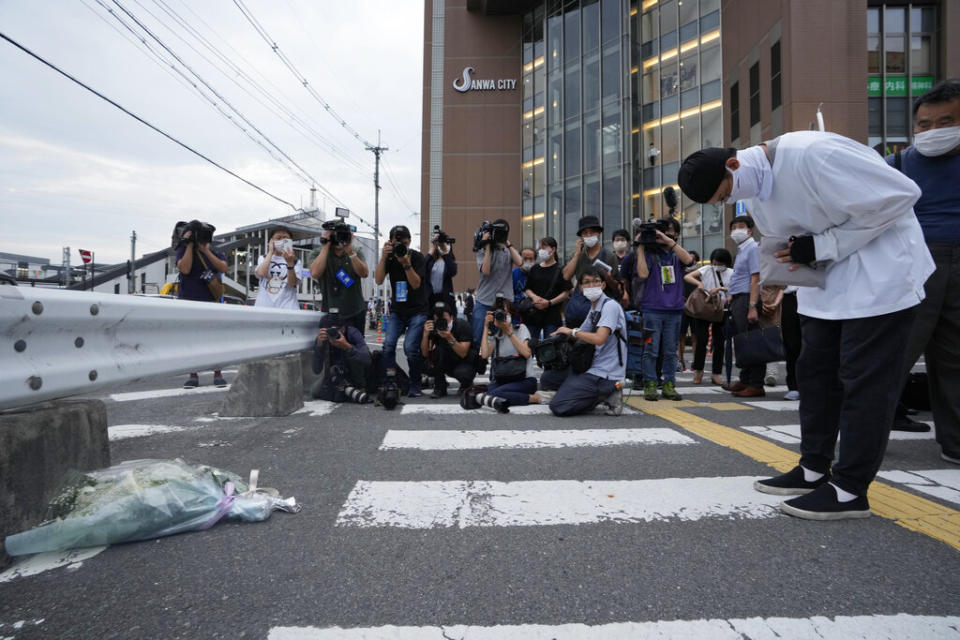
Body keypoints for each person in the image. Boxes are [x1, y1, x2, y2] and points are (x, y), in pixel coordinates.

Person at [678, 129, 934, 520]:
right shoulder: (756, 186)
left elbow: (901, 195)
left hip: (879, 279)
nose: (729, 204)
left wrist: (822, 246)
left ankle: (851, 488)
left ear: (733, 164)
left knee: (864, 381)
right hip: (822, 287)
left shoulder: (814, 153)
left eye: (724, 195)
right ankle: (814, 468)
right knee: (814, 375)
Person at [886, 79, 960, 454]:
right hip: (912, 260)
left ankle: (956, 443)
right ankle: (858, 439)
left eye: (945, 123)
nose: (933, 132)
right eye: (924, 125)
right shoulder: (895, 164)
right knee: (890, 353)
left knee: (954, 359)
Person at [548, 267, 627, 417]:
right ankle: (583, 391)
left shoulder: (610, 306)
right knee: (549, 379)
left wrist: (571, 332)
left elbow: (599, 338)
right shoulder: (594, 307)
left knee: (558, 406)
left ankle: (607, 394)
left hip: (605, 371)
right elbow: (580, 333)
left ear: (603, 285)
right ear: (580, 287)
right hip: (591, 364)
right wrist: (558, 334)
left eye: (596, 281)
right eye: (587, 282)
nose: (591, 286)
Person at [633, 218, 694, 401]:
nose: (662, 235)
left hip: (674, 310)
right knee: (650, 350)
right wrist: (641, 246)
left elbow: (689, 261)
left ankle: (669, 384)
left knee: (670, 351)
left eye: (668, 231)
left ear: (675, 234)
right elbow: (643, 274)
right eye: (661, 231)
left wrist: (669, 242)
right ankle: (650, 383)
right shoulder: (650, 254)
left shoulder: (676, 253)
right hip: (652, 309)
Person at [375, 225, 429, 397]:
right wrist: (384, 258)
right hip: (398, 310)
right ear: (390, 242)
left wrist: (406, 263)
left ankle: (415, 383)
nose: (400, 247)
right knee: (388, 345)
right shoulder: (389, 258)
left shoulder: (418, 257)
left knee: (410, 347)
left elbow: (416, 284)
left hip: (417, 310)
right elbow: (378, 280)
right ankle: (389, 382)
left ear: (409, 242)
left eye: (403, 243)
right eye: (397, 242)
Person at [175, 221, 228, 388]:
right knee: (191, 339)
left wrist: (206, 250)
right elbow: (184, 268)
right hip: (189, 298)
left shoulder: (214, 250)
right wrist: (189, 245)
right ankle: (193, 374)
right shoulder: (183, 249)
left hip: (210, 299)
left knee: (214, 338)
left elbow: (223, 267)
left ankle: (217, 372)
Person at [720, 215, 766, 398]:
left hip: (748, 299)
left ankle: (756, 383)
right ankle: (745, 379)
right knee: (742, 342)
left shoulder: (753, 248)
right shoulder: (742, 250)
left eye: (741, 226)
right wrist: (732, 295)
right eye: (733, 227)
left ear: (750, 229)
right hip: (739, 298)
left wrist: (753, 306)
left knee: (752, 342)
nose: (736, 230)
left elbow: (756, 277)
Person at [309, 220, 369, 334]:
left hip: (355, 310)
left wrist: (350, 251)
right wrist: (325, 245)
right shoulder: (319, 253)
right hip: (331, 311)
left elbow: (364, 274)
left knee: (356, 347)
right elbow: (315, 273)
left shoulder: (355, 252)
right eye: (335, 234)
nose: (338, 237)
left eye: (342, 234)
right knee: (333, 347)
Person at [477, 301, 540, 409]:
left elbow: (526, 353)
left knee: (495, 393)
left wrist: (508, 331)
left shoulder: (520, 329)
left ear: (511, 314)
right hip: (502, 379)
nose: (502, 316)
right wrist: (486, 326)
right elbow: (484, 354)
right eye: (499, 313)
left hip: (525, 379)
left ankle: (532, 398)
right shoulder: (495, 334)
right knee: (492, 391)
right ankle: (510, 396)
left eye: (505, 313)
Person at [683, 247, 732, 385]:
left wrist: (723, 289)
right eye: (715, 262)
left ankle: (716, 374)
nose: (717, 266)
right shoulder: (706, 269)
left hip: (722, 310)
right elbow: (687, 276)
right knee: (701, 341)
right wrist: (699, 283)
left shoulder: (732, 273)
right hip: (704, 309)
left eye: (720, 263)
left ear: (727, 262)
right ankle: (698, 371)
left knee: (719, 343)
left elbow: (737, 287)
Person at [561, 215, 618, 328]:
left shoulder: (609, 256)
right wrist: (577, 253)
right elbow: (566, 276)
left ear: (598, 233)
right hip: (578, 309)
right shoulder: (578, 256)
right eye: (585, 233)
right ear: (581, 237)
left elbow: (616, 287)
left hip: (600, 310)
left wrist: (608, 278)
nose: (588, 236)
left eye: (592, 232)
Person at [472, 219, 522, 346]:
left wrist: (508, 245)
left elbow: (520, 263)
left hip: (504, 303)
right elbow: (486, 271)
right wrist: (488, 246)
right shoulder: (482, 250)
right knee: (479, 338)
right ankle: (479, 364)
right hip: (484, 301)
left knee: (502, 339)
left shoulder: (508, 251)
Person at [311, 310, 372, 402]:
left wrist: (347, 346)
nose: (333, 334)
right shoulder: (322, 338)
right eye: (330, 331)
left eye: (337, 330)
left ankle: (352, 387)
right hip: (334, 374)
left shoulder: (352, 333)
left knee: (354, 351)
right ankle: (345, 389)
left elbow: (367, 359)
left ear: (344, 328)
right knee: (314, 391)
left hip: (352, 373)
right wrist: (319, 347)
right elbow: (316, 369)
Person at [421, 301, 476, 399]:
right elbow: (425, 354)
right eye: (437, 317)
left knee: (464, 373)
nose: (441, 320)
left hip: (462, 362)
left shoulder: (462, 325)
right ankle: (440, 386)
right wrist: (425, 335)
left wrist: (450, 338)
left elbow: (463, 353)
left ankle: (466, 384)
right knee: (423, 363)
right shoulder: (434, 328)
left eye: (444, 316)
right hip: (444, 361)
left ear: (451, 316)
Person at [523, 236, 572, 341]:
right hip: (534, 315)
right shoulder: (535, 268)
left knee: (549, 348)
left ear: (553, 249)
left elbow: (566, 293)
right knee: (529, 345)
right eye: (540, 248)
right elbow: (527, 288)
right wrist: (535, 297)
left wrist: (549, 302)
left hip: (552, 317)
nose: (541, 251)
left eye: (544, 248)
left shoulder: (561, 269)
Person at [254, 227, 302, 310]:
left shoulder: (296, 261)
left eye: (285, 238)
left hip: (288, 308)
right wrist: (270, 252)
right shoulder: (263, 258)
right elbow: (261, 273)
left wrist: (290, 262)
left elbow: (292, 284)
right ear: (271, 241)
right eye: (278, 238)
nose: (282, 241)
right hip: (263, 308)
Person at [424, 228, 458, 313]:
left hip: (445, 298)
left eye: (446, 243)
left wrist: (445, 252)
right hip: (431, 297)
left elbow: (453, 271)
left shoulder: (449, 260)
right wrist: (433, 247)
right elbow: (422, 267)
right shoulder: (431, 261)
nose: (443, 244)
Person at [677, 250, 701, 371]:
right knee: (680, 335)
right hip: (681, 307)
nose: (690, 262)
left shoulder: (699, 275)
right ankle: (680, 361)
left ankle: (695, 363)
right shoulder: (679, 273)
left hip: (695, 308)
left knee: (695, 335)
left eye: (693, 260)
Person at [779, 286, 801, 401]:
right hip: (790, 297)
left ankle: (813, 385)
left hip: (816, 295)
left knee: (815, 344)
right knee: (791, 344)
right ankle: (794, 387)